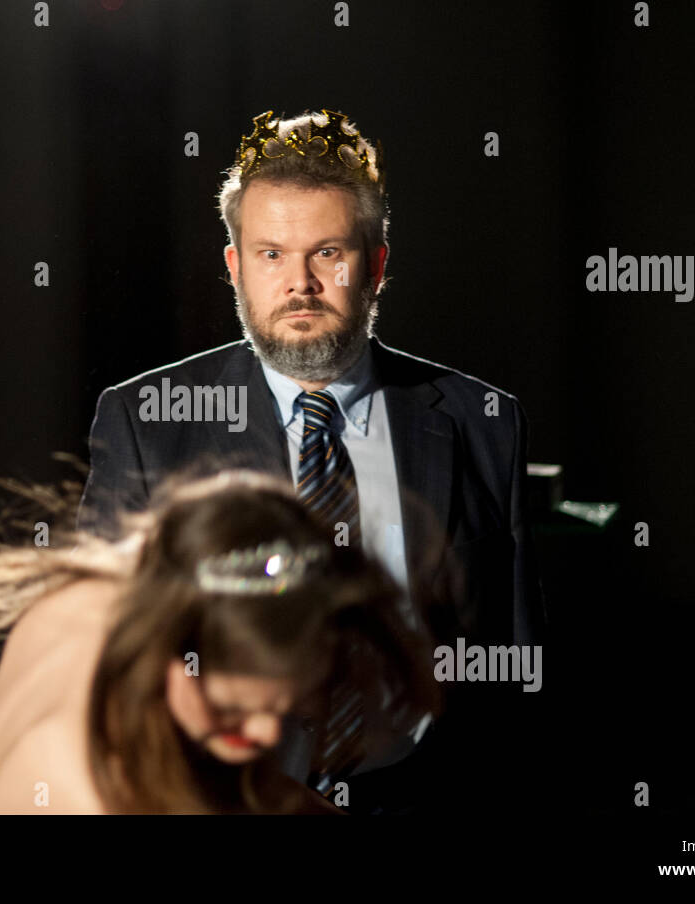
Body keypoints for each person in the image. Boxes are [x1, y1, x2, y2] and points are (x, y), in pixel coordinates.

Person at [77, 108, 547, 810]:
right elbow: (97, 649)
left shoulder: (485, 422)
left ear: (377, 264)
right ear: (235, 266)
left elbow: (516, 667)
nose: (299, 284)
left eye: (328, 253)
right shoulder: (147, 419)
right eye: (271, 255)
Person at [0, 470, 440, 815]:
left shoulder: (120, 591)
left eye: (287, 705)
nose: (269, 732)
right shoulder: (90, 794)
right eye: (231, 710)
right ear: (168, 652)